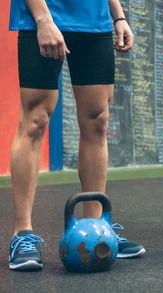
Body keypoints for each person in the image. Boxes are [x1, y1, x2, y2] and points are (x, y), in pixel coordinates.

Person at [8, 0, 144, 270]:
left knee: (98, 120)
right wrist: (43, 19)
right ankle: (22, 234)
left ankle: (97, 228)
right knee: (35, 120)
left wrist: (118, 17)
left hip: (94, 20)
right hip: (43, 16)